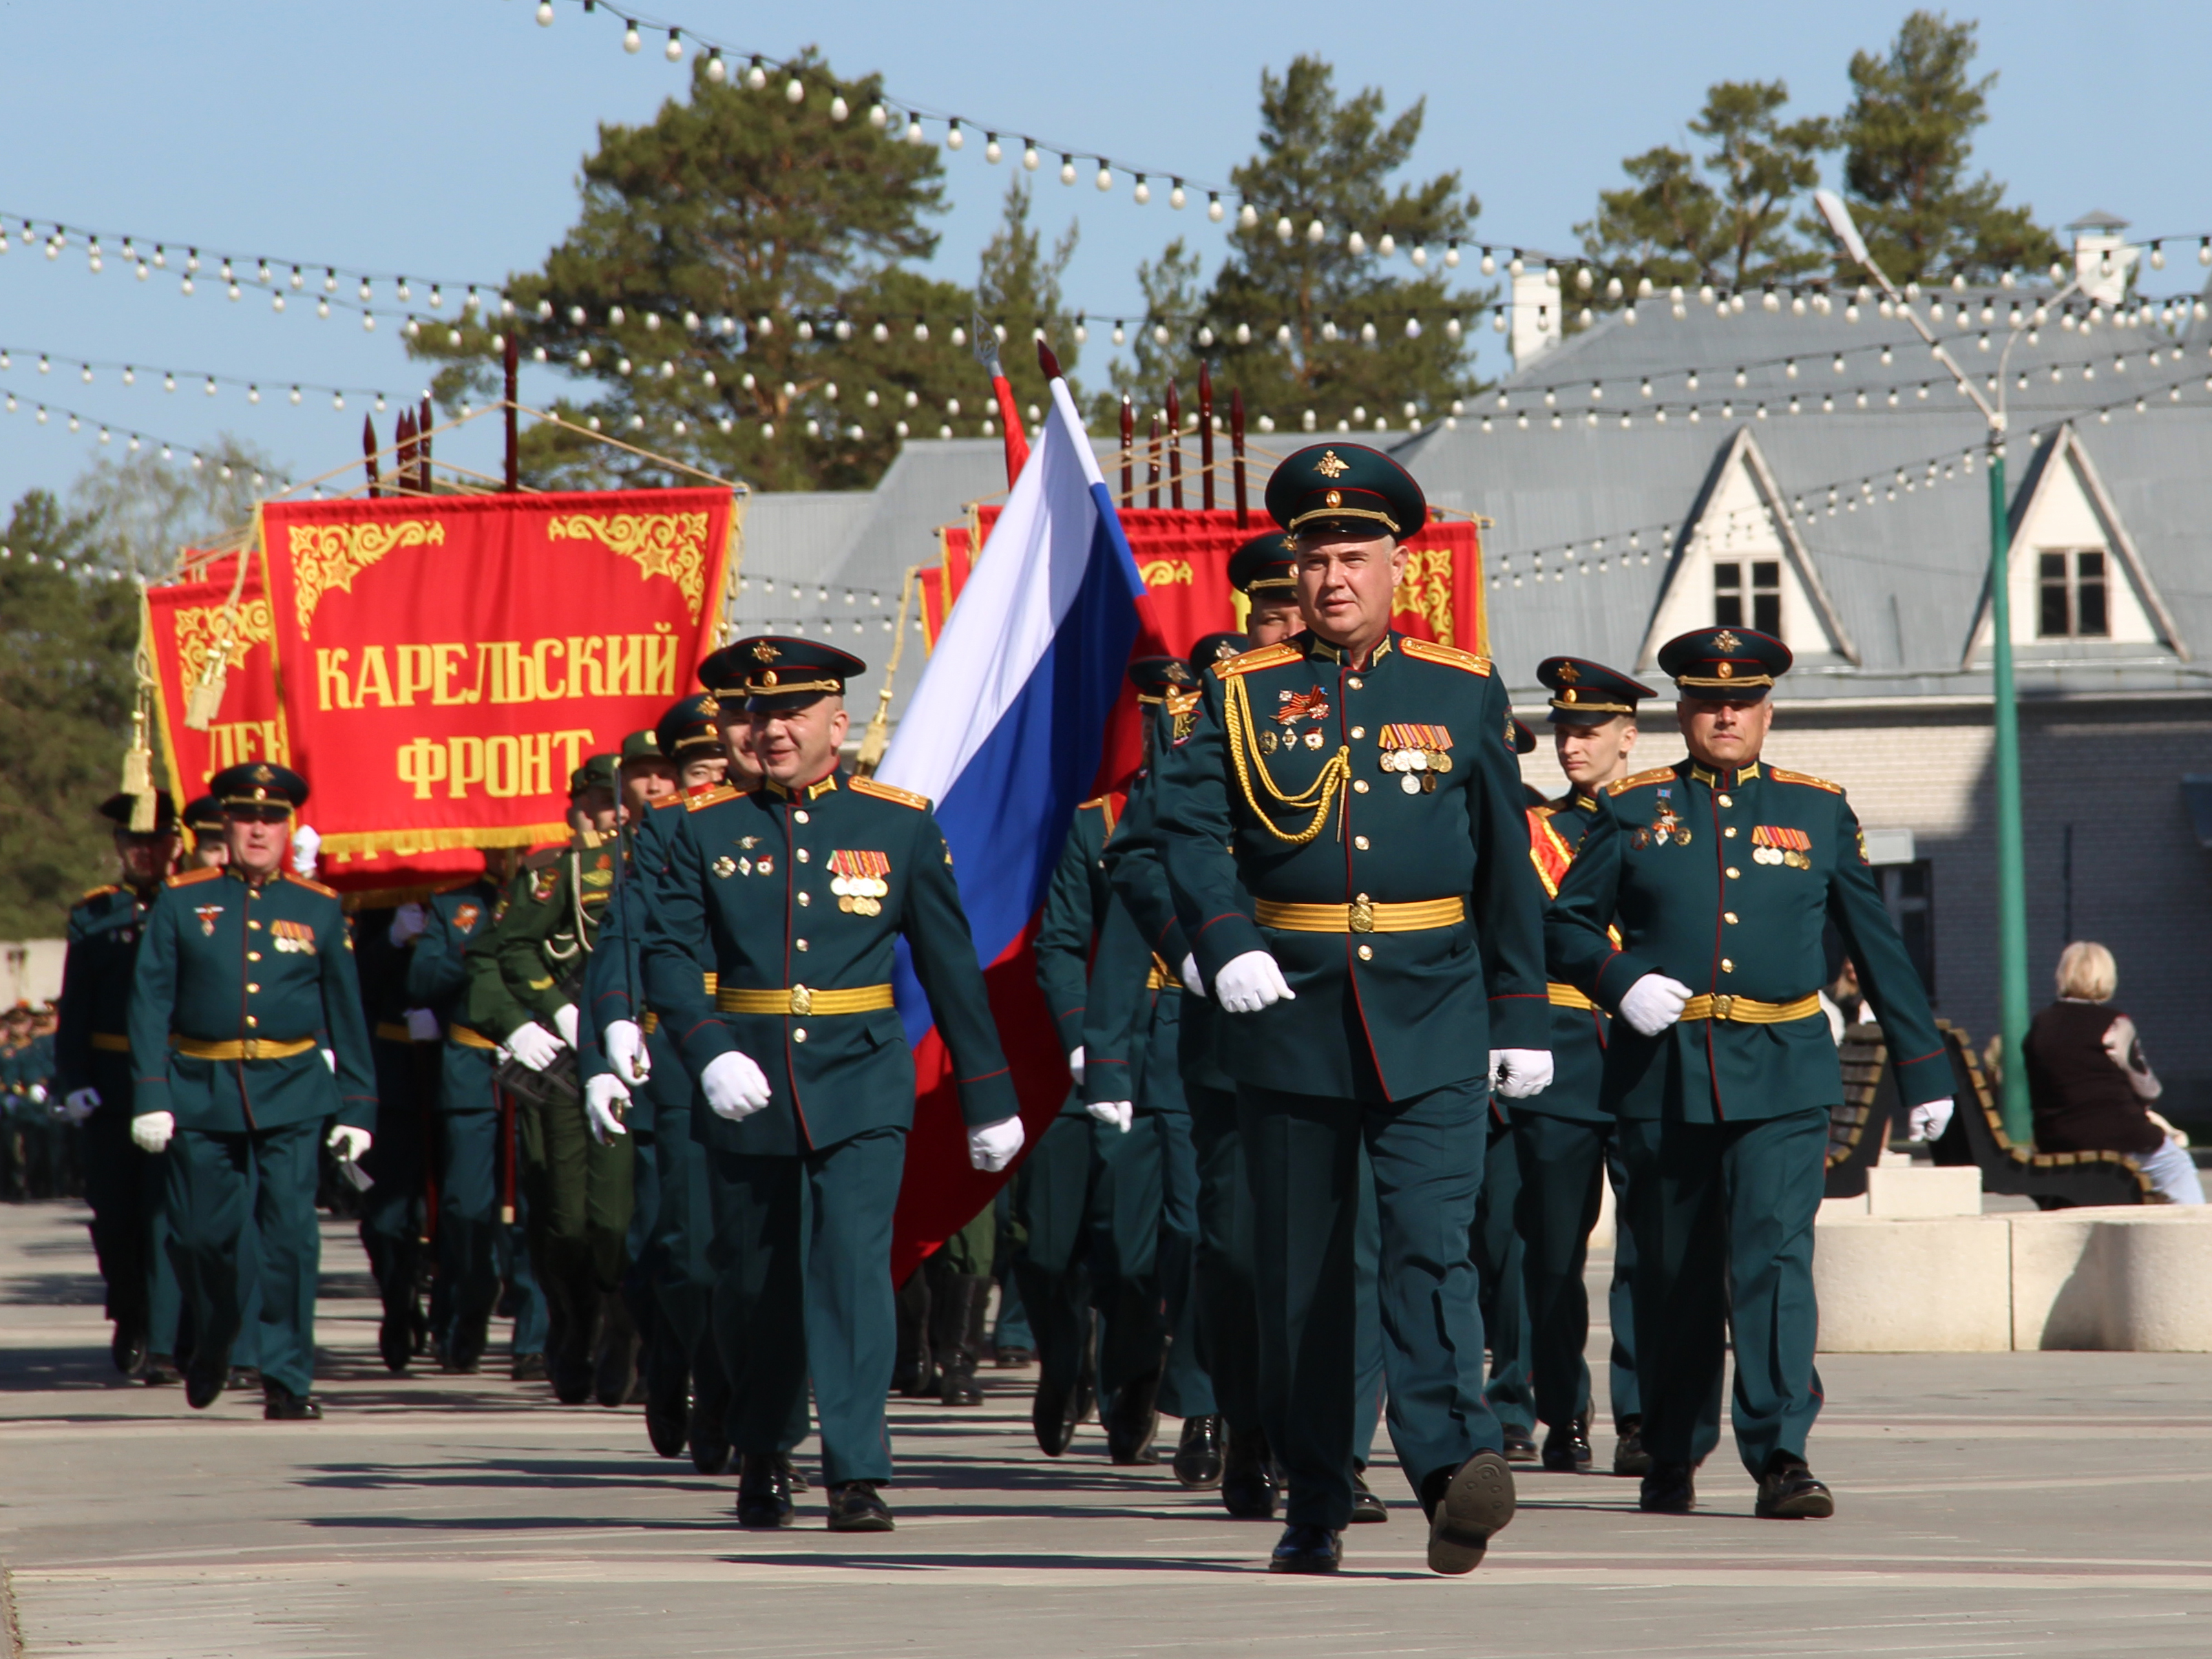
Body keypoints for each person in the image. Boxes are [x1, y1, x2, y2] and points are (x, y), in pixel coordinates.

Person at [1155, 443, 1550, 1576]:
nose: (1333, 577)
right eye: (1314, 556)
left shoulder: (1460, 687)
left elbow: (1503, 867)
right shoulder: (1236, 694)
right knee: (1313, 1277)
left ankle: (1448, 1464)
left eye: (1354, 555)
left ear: (1395, 563)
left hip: (1431, 1011)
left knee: (1431, 1248)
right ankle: (1316, 1496)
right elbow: (1182, 828)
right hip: (1286, 1020)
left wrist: (1519, 1011)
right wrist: (1220, 940)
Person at [1548, 626, 1952, 1520]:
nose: (1723, 714)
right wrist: (1618, 981)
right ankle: (1673, 1448)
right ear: (1684, 711)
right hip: (1664, 1074)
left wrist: (1925, 1068)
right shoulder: (1632, 810)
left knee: (1772, 1261)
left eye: (1740, 701)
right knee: (1671, 1270)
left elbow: (1879, 949)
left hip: (1781, 1074)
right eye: (1705, 700)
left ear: (1766, 711)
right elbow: (1566, 927)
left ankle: (1781, 1454)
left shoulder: (1817, 811)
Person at [641, 637, 1023, 1533]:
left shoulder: (896, 824)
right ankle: (766, 1448)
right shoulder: (695, 827)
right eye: (754, 713)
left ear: (836, 722)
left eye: (791, 713)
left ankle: (856, 1466)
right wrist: (708, 1046)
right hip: (748, 1076)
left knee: (852, 1271)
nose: (770, 730)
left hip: (860, 1078)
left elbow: (950, 968)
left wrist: (990, 1093)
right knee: (757, 1282)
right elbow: (663, 952)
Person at [126, 762, 377, 1420]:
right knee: (203, 1240)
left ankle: (288, 1379)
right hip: (200, 1088)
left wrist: (359, 1105)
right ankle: (211, 1339)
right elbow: (150, 1002)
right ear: (227, 825)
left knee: (290, 1238)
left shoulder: (317, 908)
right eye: (246, 818)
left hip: (293, 1088)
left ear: (289, 827)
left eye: (271, 819)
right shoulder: (182, 900)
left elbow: (347, 1011)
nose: (258, 829)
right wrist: (151, 1092)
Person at [593, 692, 758, 1471]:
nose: (716, 778)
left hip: (768, 1051)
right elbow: (629, 935)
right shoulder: (665, 829)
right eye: (699, 767)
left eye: (725, 761)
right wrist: (615, 1030)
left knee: (757, 1250)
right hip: (686, 1063)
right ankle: (674, 1352)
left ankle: (736, 1392)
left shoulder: (784, 819)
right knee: (685, 1252)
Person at [1512, 657, 1653, 1477]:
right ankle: (1561, 1407)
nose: (1572, 743)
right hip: (1562, 1061)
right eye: (1563, 729)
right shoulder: (1538, 832)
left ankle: (1639, 1413)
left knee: (1647, 1252)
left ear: (1627, 738)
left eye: (1590, 730)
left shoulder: (1659, 822)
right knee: (1555, 1253)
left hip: (1642, 1061)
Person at [466, 756, 633, 1406]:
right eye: (597, 802)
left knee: (622, 1213)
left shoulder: (663, 863)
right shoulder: (547, 874)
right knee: (562, 1217)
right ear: (574, 809)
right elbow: (495, 955)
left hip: (636, 1053)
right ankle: (572, 1320)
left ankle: (624, 1325)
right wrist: (520, 1023)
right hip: (563, 1060)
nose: (612, 814)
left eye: (617, 801)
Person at [52, 793, 180, 1375]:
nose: (144, 852)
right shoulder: (95, 914)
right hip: (110, 1085)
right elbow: (75, 1008)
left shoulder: (193, 907)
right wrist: (73, 1078)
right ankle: (128, 1310)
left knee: (168, 1214)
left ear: (174, 844)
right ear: (119, 848)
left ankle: (165, 1332)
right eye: (133, 842)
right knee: (114, 1215)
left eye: (155, 841)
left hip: (176, 1080)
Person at [403, 848, 529, 1375]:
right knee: (465, 1206)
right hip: (471, 1064)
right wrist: (472, 949)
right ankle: (465, 1314)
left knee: (536, 1202)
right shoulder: (455, 904)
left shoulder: (555, 894)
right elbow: (422, 982)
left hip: (538, 1061)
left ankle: (536, 1335)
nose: (512, 851)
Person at [2025, 942, 2203, 1205]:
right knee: (2175, 1165)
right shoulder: (2114, 1023)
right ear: (2106, 977)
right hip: (2120, 1136)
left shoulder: (2041, 1024)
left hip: (2056, 1138)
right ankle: (2196, 1239)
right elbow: (2147, 1088)